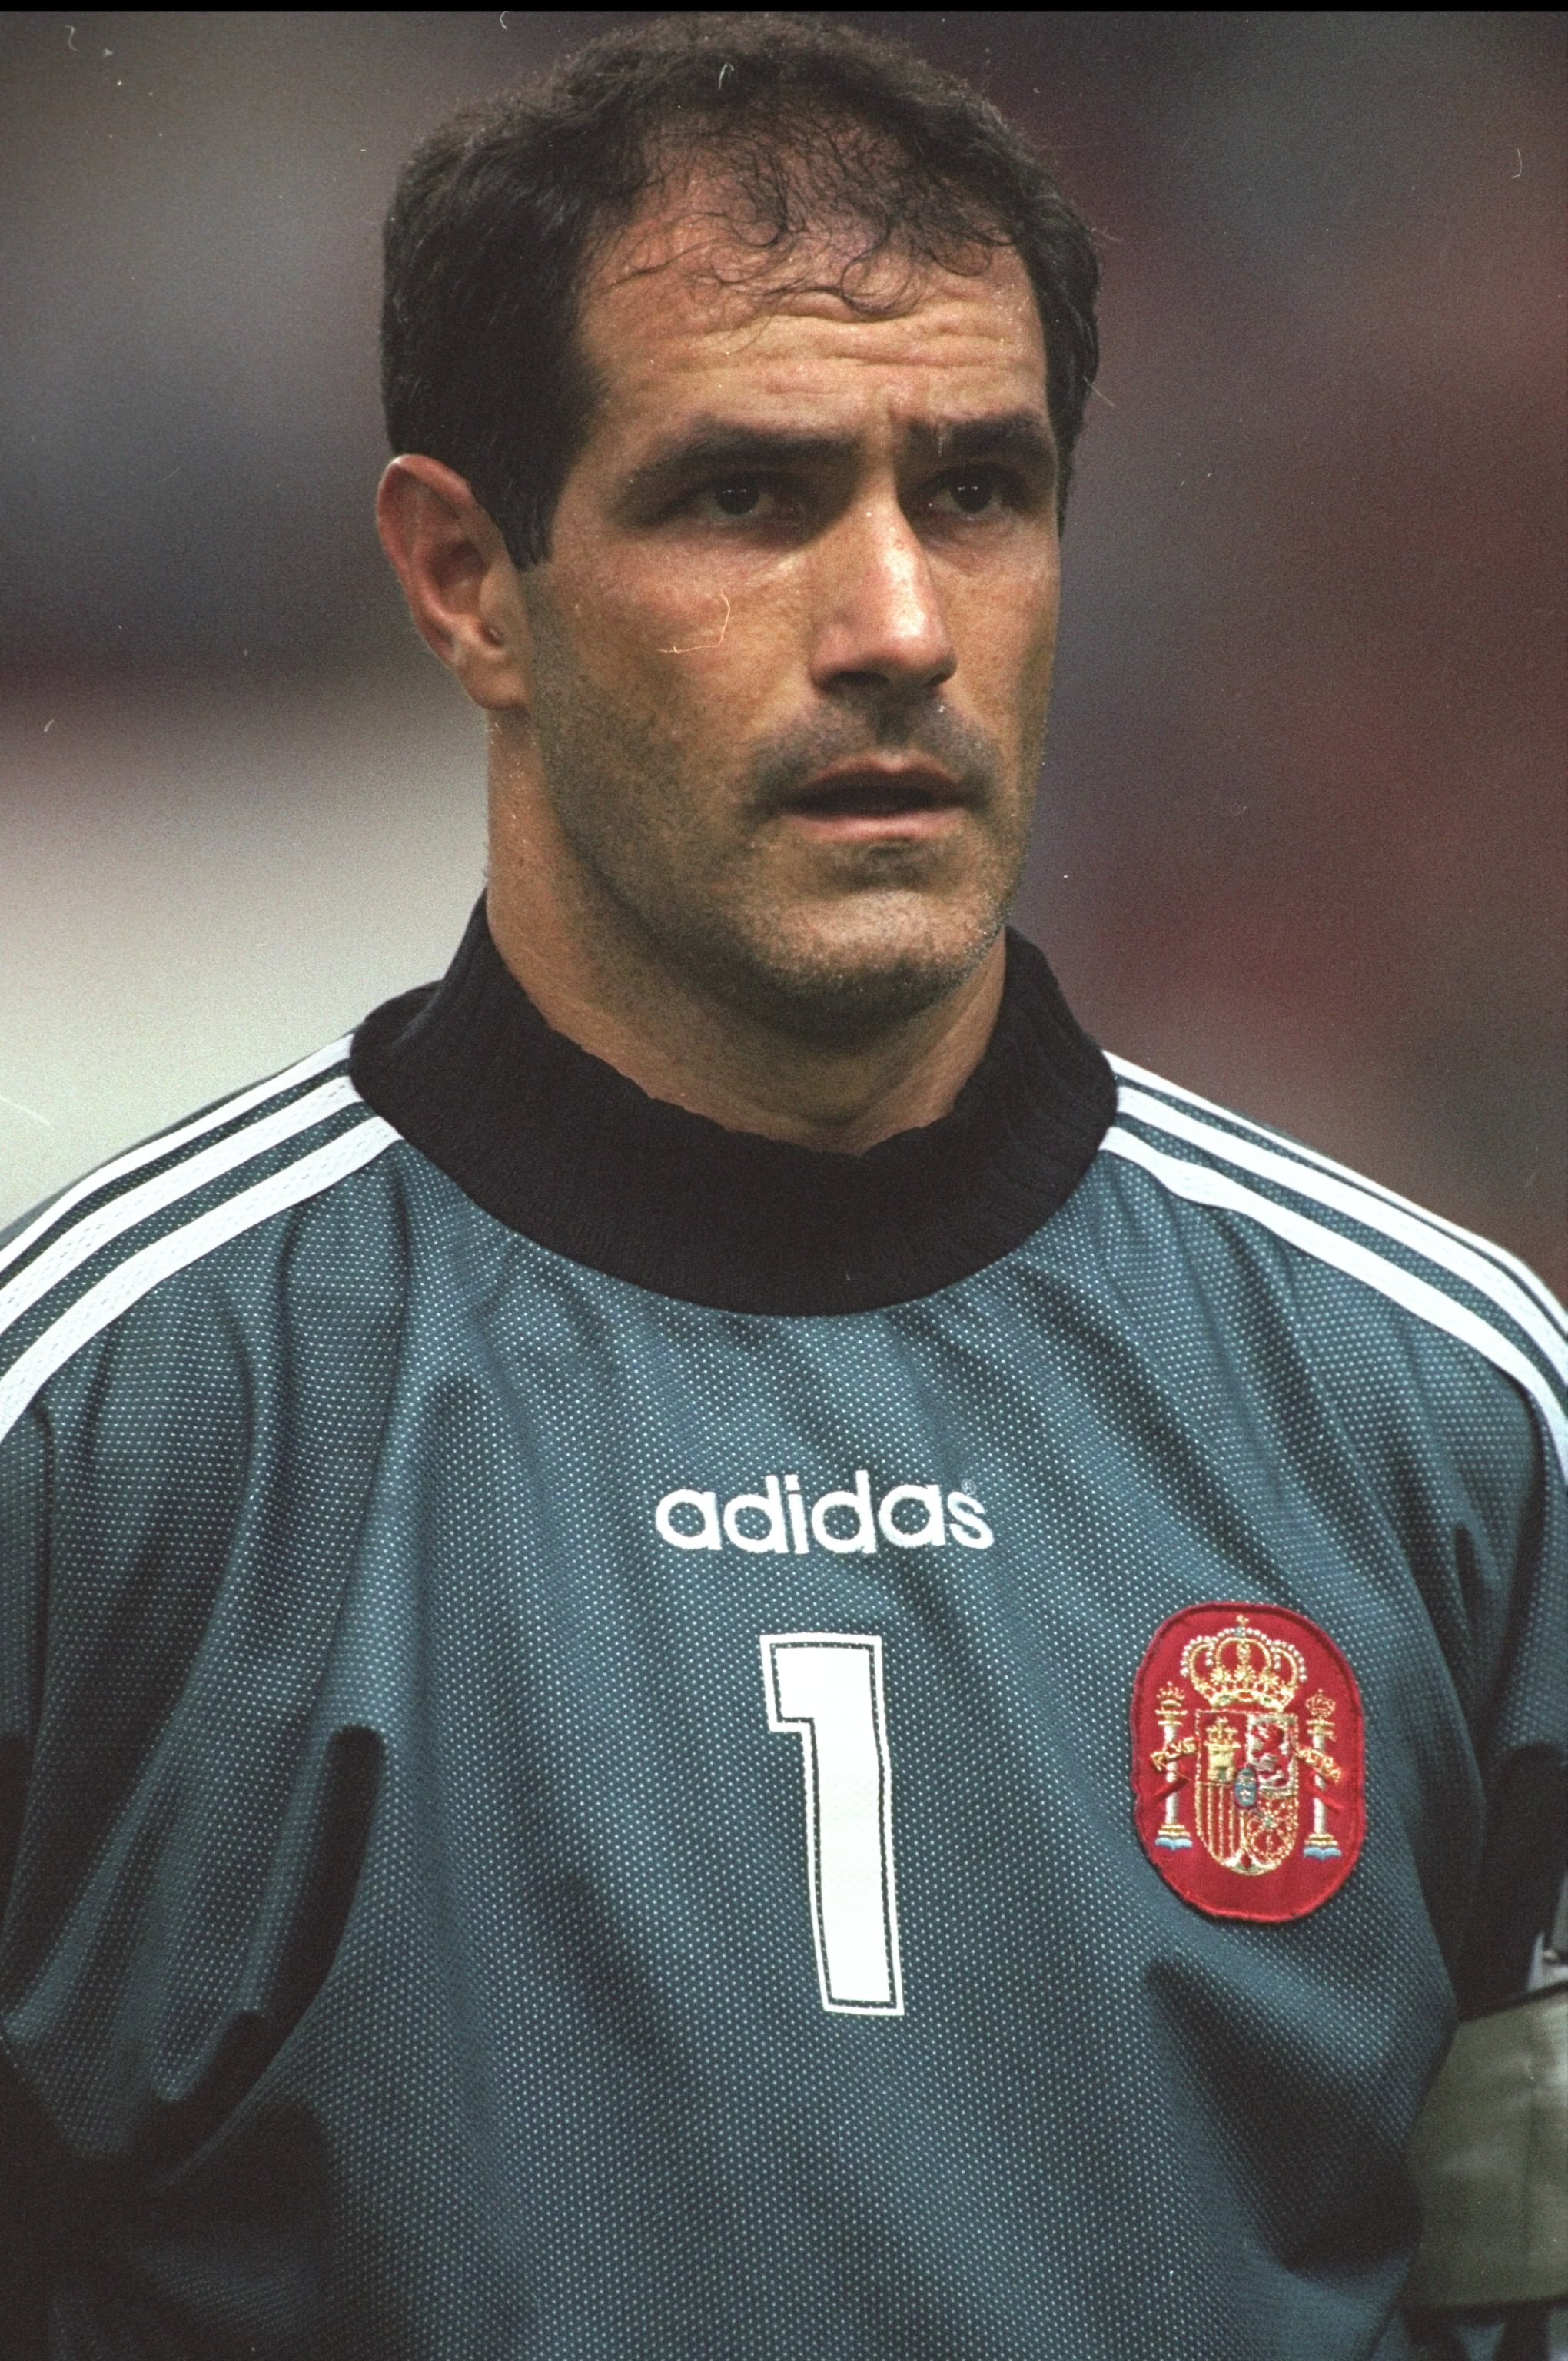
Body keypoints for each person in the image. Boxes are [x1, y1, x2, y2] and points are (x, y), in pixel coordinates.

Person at [0, 17, 1562, 2358]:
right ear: (464, 578)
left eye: (979, 490)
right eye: (746, 495)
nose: (900, 627)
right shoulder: (107, 1434)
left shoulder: (1448, 1420)